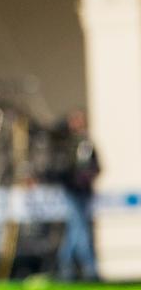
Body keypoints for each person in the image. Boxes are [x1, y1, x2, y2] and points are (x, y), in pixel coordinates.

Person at [49, 109, 101, 281]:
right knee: (80, 228)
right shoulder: (67, 143)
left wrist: (86, 177)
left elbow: (97, 166)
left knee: (76, 229)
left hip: (84, 192)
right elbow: (61, 168)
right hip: (72, 191)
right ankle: (89, 268)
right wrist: (72, 180)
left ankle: (66, 265)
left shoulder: (86, 144)